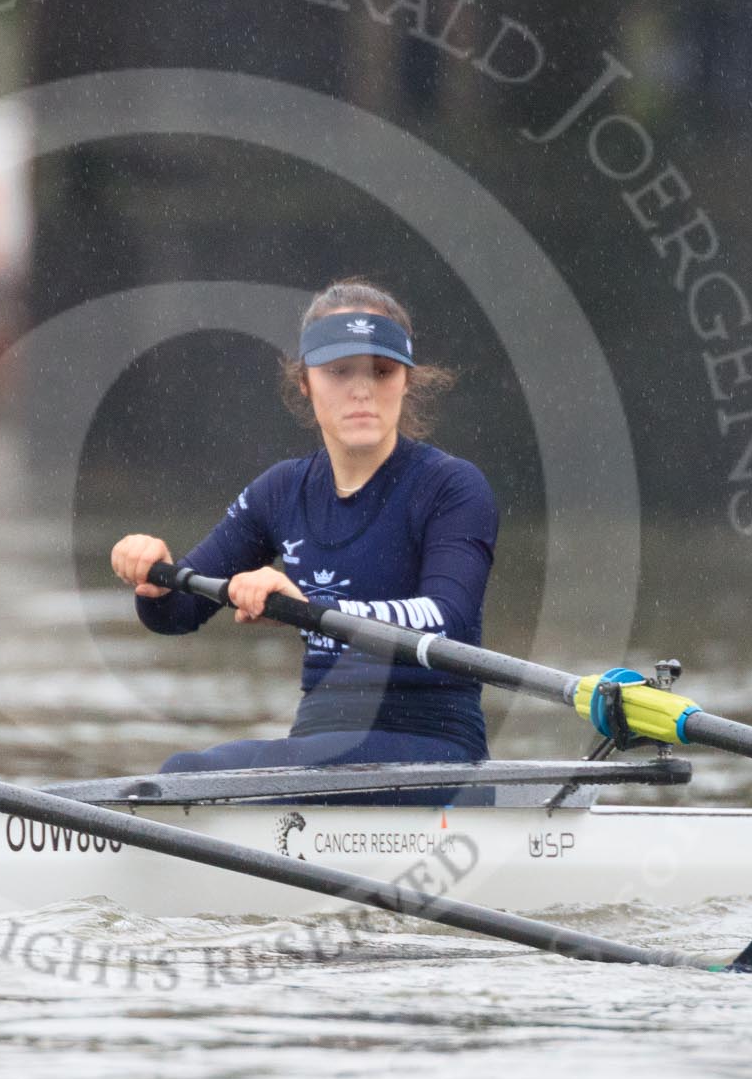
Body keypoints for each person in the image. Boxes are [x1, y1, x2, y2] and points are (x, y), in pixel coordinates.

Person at [109, 279, 498, 787]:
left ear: (405, 380)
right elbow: (178, 613)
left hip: (433, 751)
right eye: (339, 371)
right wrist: (155, 579)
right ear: (305, 383)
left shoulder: (452, 487)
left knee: (186, 776)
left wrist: (306, 604)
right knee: (183, 780)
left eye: (381, 371)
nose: (362, 389)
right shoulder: (281, 491)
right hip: (318, 746)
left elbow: (447, 618)